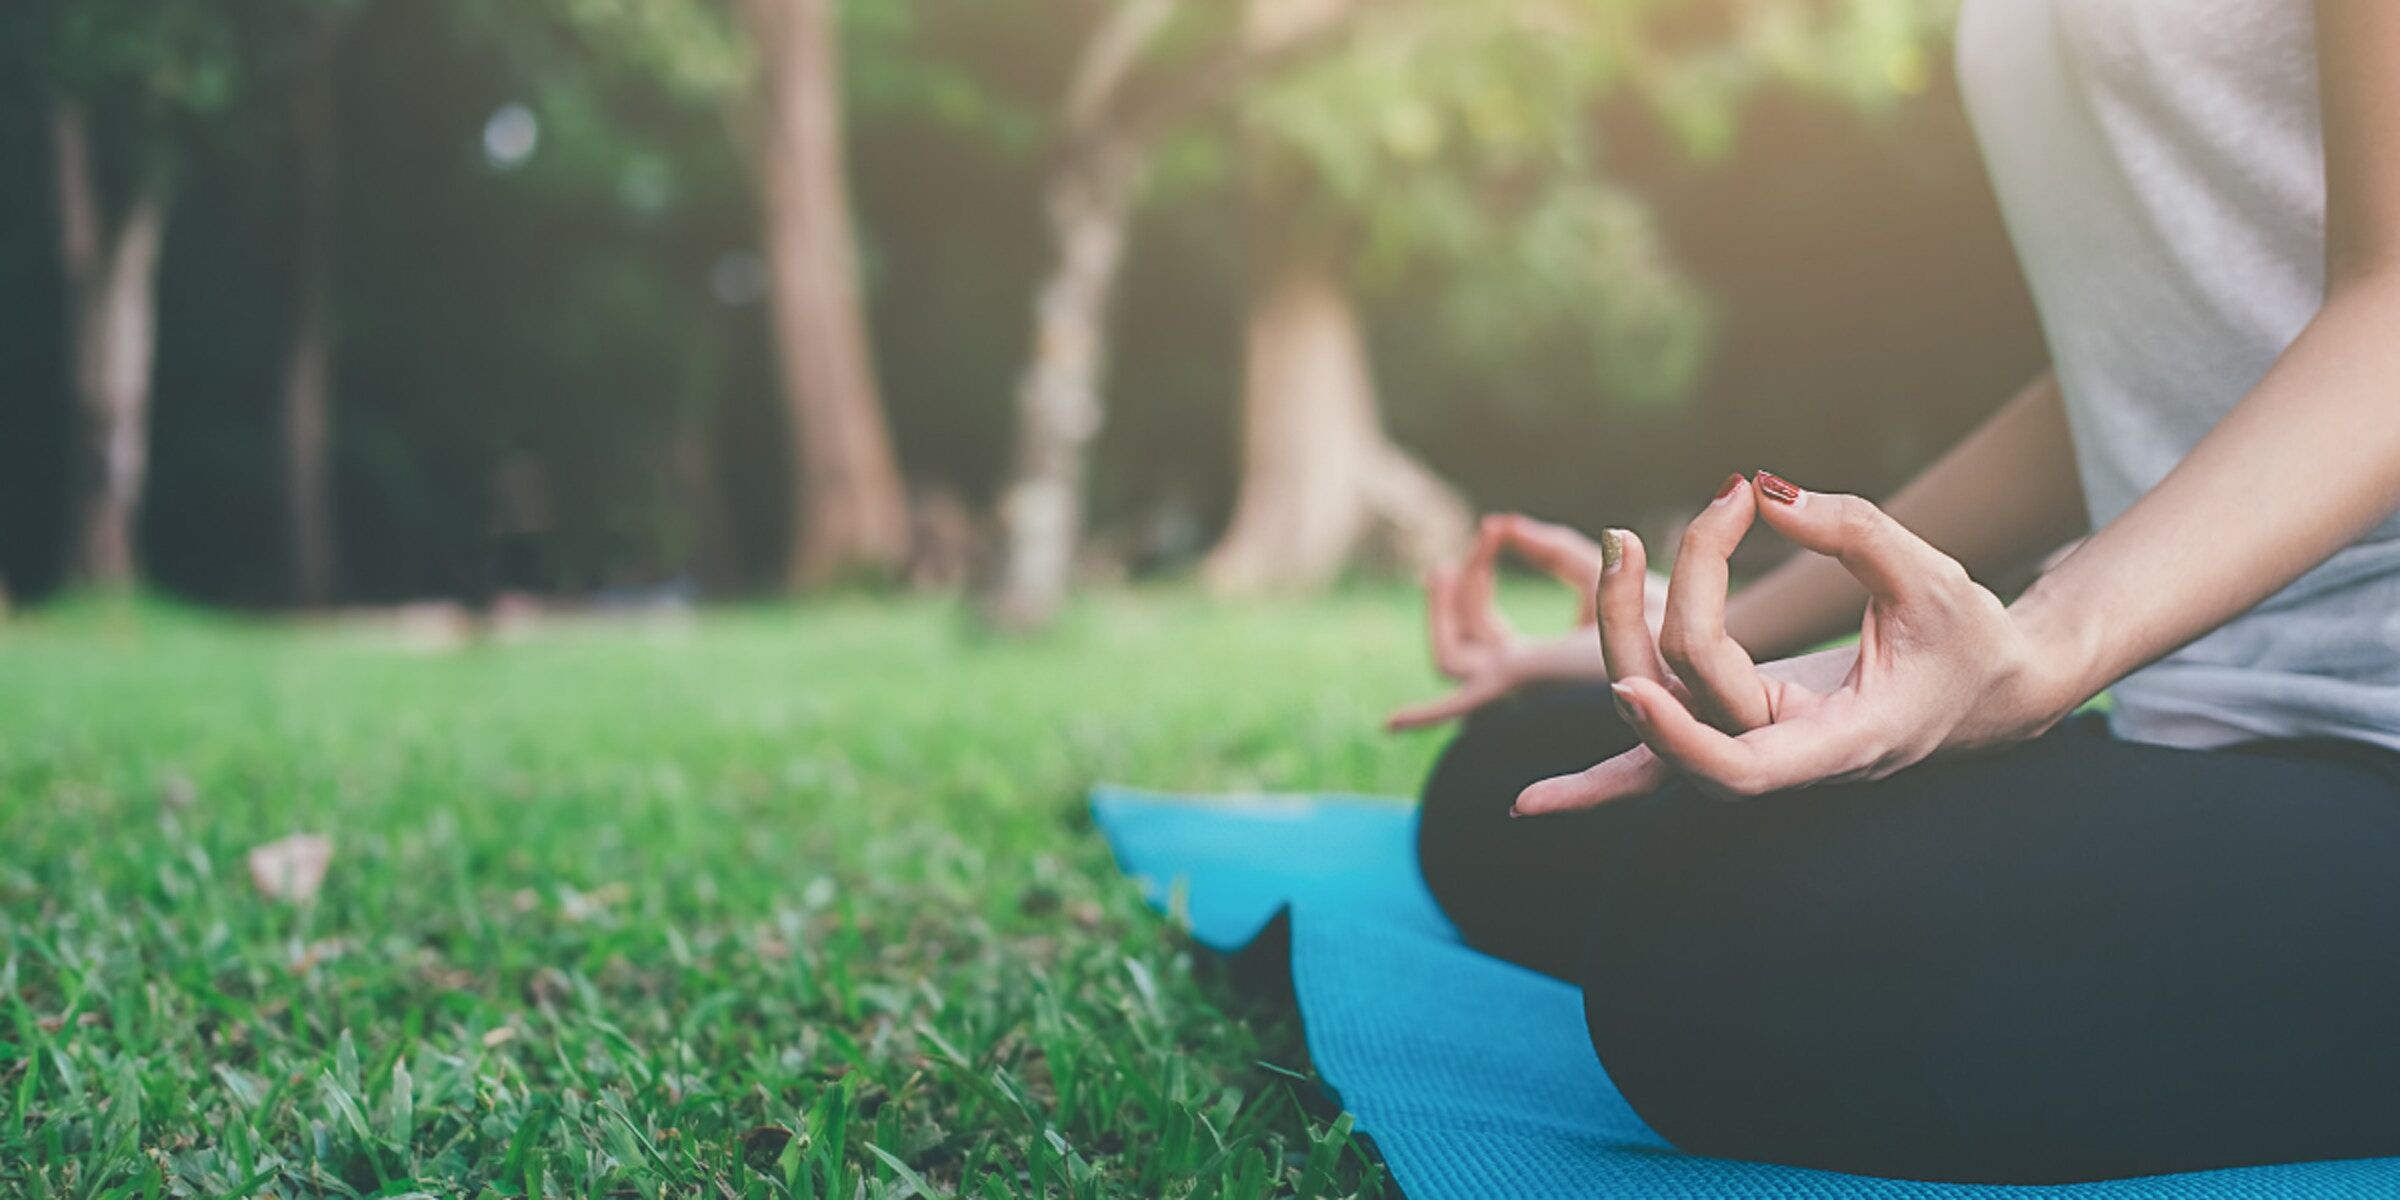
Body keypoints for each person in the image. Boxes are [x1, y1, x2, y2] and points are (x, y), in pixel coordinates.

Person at [1396, 0, 2400, 1184]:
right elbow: (2146, 367)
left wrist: (2042, 649)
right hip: (2205, 707)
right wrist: (1715, 632)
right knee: (1508, 792)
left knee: (1722, 953)